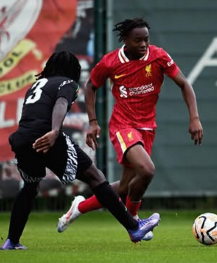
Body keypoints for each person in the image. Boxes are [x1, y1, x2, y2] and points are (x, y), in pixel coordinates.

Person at [57, 17, 203, 238]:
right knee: (147, 170)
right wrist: (93, 122)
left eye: (146, 39)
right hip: (123, 125)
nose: (143, 44)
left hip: (147, 128)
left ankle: (80, 207)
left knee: (124, 187)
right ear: (125, 40)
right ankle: (134, 222)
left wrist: (194, 117)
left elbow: (184, 83)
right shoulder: (111, 62)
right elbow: (91, 86)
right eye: (138, 40)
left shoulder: (159, 56)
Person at [0, 51, 160, 250]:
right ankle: (134, 227)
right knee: (96, 177)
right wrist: (55, 131)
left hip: (22, 140)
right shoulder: (68, 84)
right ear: (72, 70)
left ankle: (11, 241)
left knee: (30, 187)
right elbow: (61, 103)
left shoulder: (36, 85)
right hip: (47, 136)